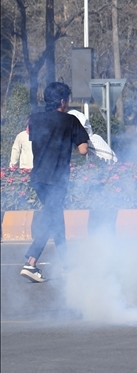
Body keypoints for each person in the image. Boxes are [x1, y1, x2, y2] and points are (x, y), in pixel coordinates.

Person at [21, 82, 89, 283]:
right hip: (56, 180)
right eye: (67, 99)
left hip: (39, 178)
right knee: (52, 218)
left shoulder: (34, 119)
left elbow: (37, 137)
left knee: (56, 220)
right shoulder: (70, 121)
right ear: (62, 101)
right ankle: (31, 263)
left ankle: (67, 265)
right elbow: (83, 150)